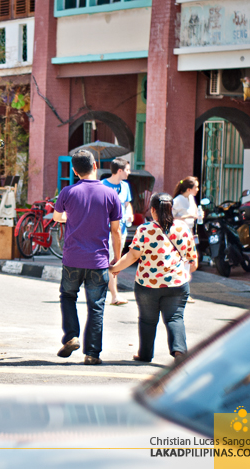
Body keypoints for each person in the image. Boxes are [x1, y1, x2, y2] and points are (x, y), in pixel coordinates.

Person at [53, 149, 123, 365]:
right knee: (96, 306)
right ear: (95, 167)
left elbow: (57, 217)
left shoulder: (68, 192)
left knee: (68, 296)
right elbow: (116, 230)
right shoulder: (111, 194)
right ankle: (92, 354)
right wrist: (117, 259)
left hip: (72, 258)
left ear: (74, 170)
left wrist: (70, 217)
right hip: (98, 260)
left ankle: (71, 336)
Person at [109, 193, 198, 363]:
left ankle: (145, 354)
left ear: (153, 210)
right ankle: (179, 352)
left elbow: (133, 256)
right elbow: (193, 263)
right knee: (175, 318)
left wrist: (115, 268)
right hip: (177, 283)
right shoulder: (182, 229)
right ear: (171, 209)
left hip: (147, 284)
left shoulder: (145, 229)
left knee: (147, 320)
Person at [102, 157, 133, 306]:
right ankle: (113, 295)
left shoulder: (125, 186)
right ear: (119, 171)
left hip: (121, 230)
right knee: (108, 261)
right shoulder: (102, 186)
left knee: (115, 261)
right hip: (106, 231)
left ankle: (113, 295)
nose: (129, 172)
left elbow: (127, 204)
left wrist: (130, 213)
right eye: (127, 169)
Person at [172, 176, 202, 303]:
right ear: (189, 189)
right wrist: (187, 216)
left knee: (191, 263)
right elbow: (171, 217)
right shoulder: (178, 200)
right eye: (196, 187)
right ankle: (183, 292)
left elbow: (195, 214)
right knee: (185, 263)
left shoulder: (191, 199)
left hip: (190, 233)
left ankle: (180, 290)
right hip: (179, 233)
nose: (198, 189)